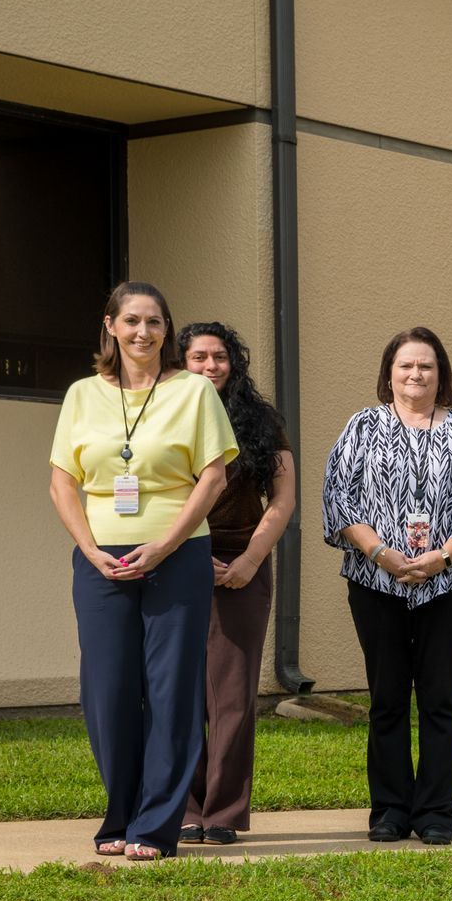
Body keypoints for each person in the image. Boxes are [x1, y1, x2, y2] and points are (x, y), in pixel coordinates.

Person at [50, 282, 237, 861]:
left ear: (166, 330)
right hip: (101, 557)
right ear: (110, 326)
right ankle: (119, 814)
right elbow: (62, 481)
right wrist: (89, 546)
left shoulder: (192, 392)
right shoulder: (82, 394)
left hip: (175, 555)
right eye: (131, 320)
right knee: (106, 690)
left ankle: (155, 825)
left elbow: (214, 477)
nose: (143, 332)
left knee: (171, 690)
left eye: (155, 322)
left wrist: (166, 544)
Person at [322, 327, 452, 846]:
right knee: (388, 698)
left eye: (426, 366)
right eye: (406, 366)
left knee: (440, 698)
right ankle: (391, 810)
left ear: (441, 374)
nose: (415, 374)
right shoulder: (362, 426)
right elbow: (339, 497)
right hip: (376, 581)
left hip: (449, 583)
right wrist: (381, 552)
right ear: (389, 373)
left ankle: (437, 811)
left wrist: (442, 556)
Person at [176, 322, 294, 846]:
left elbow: (283, 499)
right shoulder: (162, 415)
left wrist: (248, 561)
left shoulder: (262, 421)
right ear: (181, 363)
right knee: (177, 691)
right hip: (177, 557)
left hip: (242, 562)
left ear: (234, 363)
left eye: (219, 357)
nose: (209, 366)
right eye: (198, 357)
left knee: (232, 694)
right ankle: (185, 807)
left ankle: (222, 812)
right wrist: (185, 555)